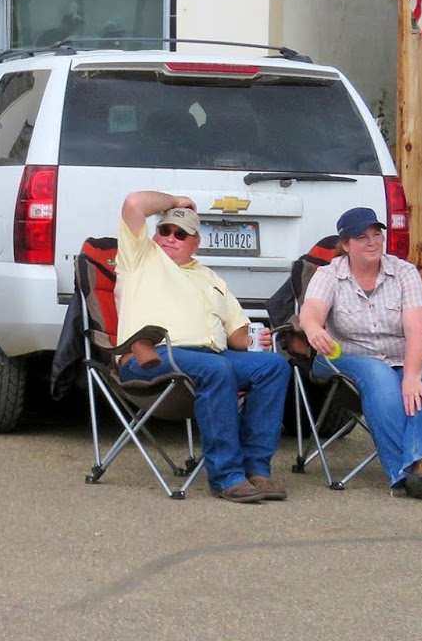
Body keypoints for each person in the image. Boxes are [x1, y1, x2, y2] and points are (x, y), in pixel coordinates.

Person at [111, 191, 291, 504]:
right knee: (217, 368)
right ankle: (226, 476)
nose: (170, 238)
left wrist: (256, 340)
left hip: (211, 357)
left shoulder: (212, 279)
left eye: (180, 234)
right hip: (152, 357)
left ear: (196, 243)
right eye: (164, 230)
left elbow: (238, 338)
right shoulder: (140, 258)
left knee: (273, 367)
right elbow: (133, 203)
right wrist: (175, 202)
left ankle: (256, 470)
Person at [299, 206, 422, 500]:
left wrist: (413, 376)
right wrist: (313, 329)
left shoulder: (404, 272)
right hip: (344, 358)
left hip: (400, 356)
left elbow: (416, 331)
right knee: (379, 375)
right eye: (363, 237)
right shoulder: (329, 275)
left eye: (377, 234)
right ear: (346, 245)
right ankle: (402, 473)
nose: (373, 242)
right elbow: (311, 311)